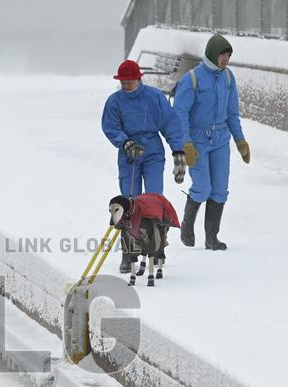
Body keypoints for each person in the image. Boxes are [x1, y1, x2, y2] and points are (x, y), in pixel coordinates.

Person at [102, 59, 186, 273]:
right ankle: (128, 252)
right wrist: (125, 142)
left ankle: (157, 248)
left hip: (152, 151)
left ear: (139, 78)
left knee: (155, 200)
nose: (127, 85)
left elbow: (170, 122)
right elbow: (110, 127)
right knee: (129, 201)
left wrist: (178, 151)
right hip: (129, 153)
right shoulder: (114, 102)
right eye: (123, 82)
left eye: (130, 81)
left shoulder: (155, 97)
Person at [173, 34, 250, 251]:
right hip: (197, 142)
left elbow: (232, 113)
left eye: (228, 55)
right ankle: (187, 226)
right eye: (222, 55)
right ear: (212, 54)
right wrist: (186, 143)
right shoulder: (193, 79)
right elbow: (180, 114)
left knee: (220, 189)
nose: (225, 59)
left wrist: (240, 140)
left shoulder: (228, 78)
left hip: (220, 140)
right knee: (202, 187)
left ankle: (212, 238)